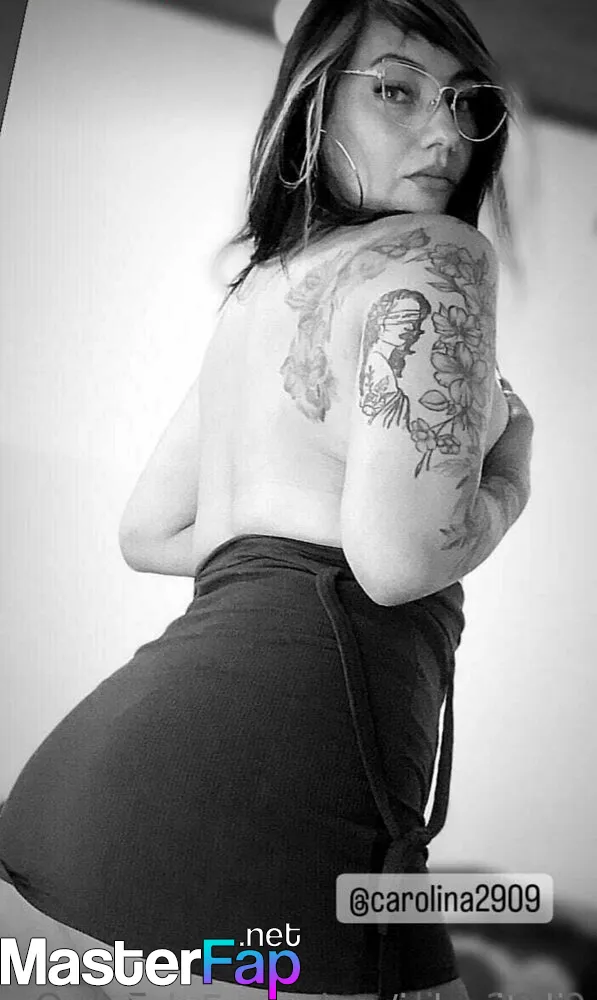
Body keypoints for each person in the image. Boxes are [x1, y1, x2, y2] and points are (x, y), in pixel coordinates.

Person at [0, 1, 534, 998]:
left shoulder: (258, 292)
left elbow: (149, 530)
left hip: (83, 801)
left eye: (464, 103)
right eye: (396, 89)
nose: (443, 134)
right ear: (312, 104)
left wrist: (282, 540)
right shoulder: (442, 253)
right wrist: (511, 473)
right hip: (262, 817)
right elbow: (399, 563)